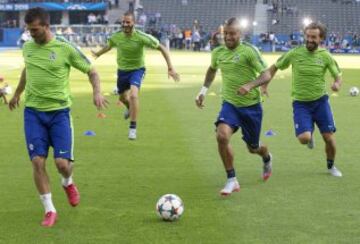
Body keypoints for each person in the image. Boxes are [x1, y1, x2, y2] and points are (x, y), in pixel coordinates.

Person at [8, 7, 108, 227]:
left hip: (59, 113)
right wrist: (17, 94)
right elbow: (28, 70)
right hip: (33, 113)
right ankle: (49, 209)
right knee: (37, 161)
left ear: (46, 26)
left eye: (35, 30)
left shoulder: (64, 47)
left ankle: (67, 182)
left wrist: (97, 92)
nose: (31, 34)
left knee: (62, 164)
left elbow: (91, 71)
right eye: (29, 30)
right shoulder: (28, 47)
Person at [238, 22, 342, 177]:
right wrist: (265, 85)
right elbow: (274, 67)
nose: (309, 40)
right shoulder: (294, 53)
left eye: (313, 37)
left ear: (321, 38)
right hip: (301, 104)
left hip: (321, 102)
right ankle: (309, 134)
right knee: (304, 138)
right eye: (307, 36)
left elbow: (337, 75)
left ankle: (331, 166)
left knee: (329, 139)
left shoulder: (326, 56)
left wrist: (336, 84)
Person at [195, 17, 273, 196]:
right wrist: (203, 91)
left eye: (233, 34)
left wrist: (250, 85)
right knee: (222, 136)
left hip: (251, 107)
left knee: (253, 147)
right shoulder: (218, 52)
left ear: (240, 34)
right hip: (230, 104)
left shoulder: (249, 52)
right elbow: (212, 69)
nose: (228, 37)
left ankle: (266, 157)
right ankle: (231, 179)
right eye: (226, 34)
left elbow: (266, 74)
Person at [91, 11, 179, 140]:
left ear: (134, 23)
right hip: (122, 72)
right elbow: (108, 46)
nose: (125, 24)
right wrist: (98, 53)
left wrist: (170, 67)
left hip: (137, 70)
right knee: (122, 98)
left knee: (133, 95)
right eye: (123, 22)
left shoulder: (142, 37)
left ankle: (133, 128)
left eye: (128, 22)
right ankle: (128, 108)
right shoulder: (117, 37)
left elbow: (162, 48)